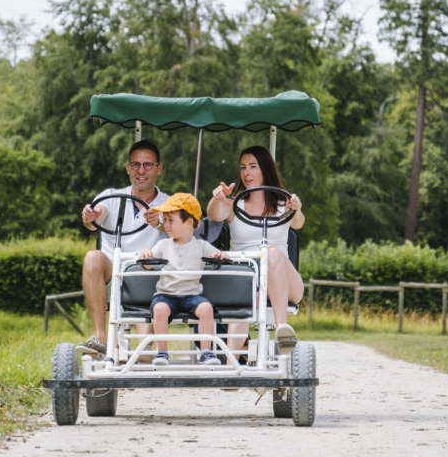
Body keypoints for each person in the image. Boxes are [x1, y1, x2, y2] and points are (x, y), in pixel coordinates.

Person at [206, 145, 305, 353]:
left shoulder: (283, 204)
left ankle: (282, 330)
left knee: (273, 252)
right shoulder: (234, 205)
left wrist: (295, 208)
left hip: (286, 283)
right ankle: (232, 364)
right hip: (249, 282)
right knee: (250, 295)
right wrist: (218, 197)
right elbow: (213, 214)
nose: (246, 173)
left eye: (253, 166)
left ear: (265, 169)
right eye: (243, 167)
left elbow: (298, 224)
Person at [77, 140, 169, 357]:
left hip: (151, 272)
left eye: (148, 165)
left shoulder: (169, 203)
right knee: (92, 257)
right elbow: (95, 216)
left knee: (151, 263)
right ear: (128, 168)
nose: (141, 171)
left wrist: (160, 222)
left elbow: (182, 231)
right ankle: (101, 339)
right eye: (135, 165)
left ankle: (144, 343)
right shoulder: (111, 196)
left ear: (159, 168)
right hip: (114, 271)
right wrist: (92, 215)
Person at [138, 193, 227, 366]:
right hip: (166, 294)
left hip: (192, 295)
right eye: (165, 220)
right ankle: (162, 352)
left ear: (189, 223)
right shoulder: (163, 244)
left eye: (171, 220)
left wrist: (218, 255)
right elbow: (146, 265)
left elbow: (222, 256)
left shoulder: (201, 245)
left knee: (207, 309)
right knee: (160, 309)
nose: (166, 225)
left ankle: (206, 351)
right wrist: (145, 255)